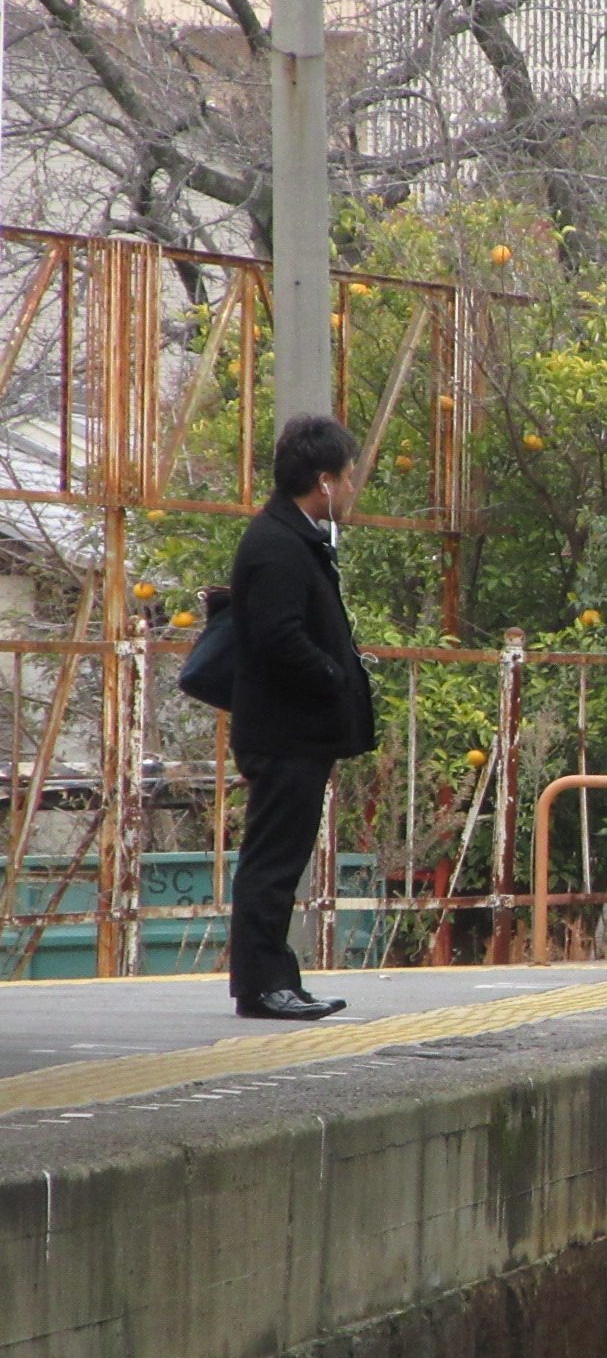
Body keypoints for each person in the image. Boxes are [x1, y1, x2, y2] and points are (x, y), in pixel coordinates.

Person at [227, 416, 377, 1020]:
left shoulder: (293, 537)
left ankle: (275, 979)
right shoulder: (278, 545)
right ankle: (263, 986)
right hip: (284, 733)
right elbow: (278, 637)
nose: (351, 488)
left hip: (295, 734)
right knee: (273, 861)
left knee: (281, 860)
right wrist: (332, 675)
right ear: (323, 480)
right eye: (347, 477)